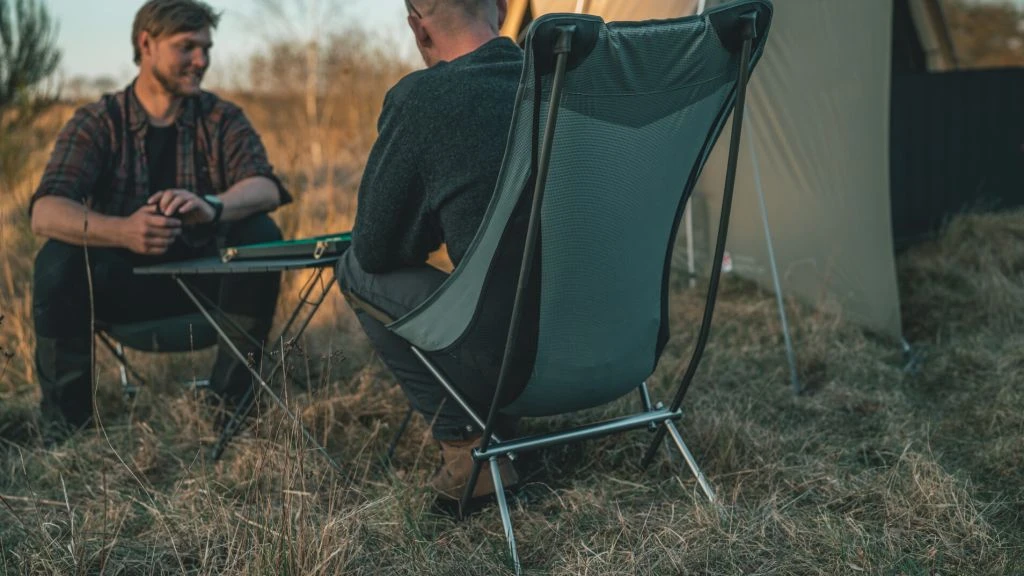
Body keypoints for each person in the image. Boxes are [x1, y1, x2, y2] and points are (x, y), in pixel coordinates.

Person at [29, 0, 291, 441]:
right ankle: (67, 428)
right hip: (122, 288)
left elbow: (266, 187)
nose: (202, 60)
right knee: (57, 259)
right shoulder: (98, 122)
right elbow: (45, 210)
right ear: (146, 44)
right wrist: (124, 231)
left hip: (204, 286)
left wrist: (212, 205)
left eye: (206, 47)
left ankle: (230, 410)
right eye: (187, 47)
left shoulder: (220, 117)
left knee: (261, 232)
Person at [336, 0, 522, 501]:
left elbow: (376, 249)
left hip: (519, 362)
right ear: (502, 8)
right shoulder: (576, 81)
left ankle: (470, 447)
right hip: (623, 346)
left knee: (355, 267)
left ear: (419, 28)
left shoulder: (424, 99)